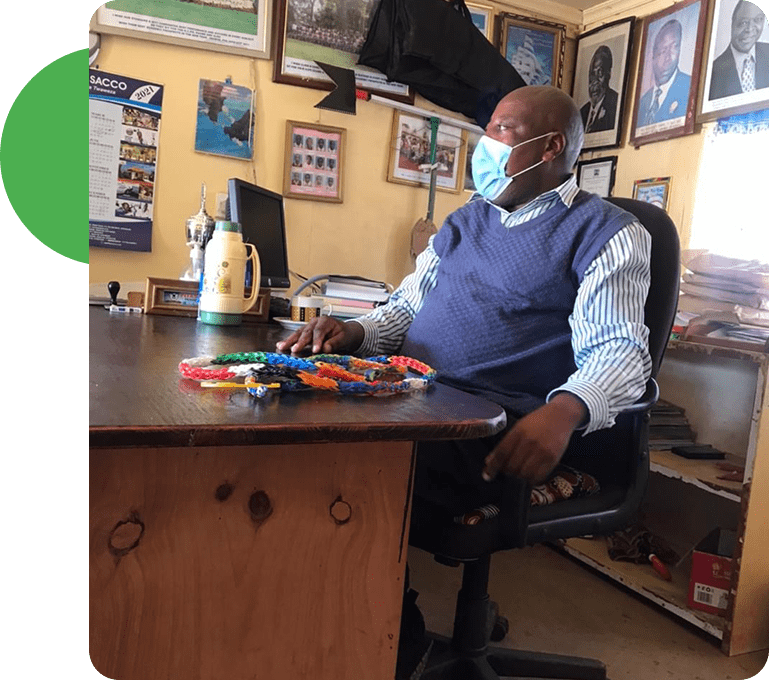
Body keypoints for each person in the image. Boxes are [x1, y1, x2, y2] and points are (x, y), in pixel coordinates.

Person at [277, 85, 651, 680]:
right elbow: (402, 311)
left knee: (345, 467)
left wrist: (567, 409)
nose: (484, 145)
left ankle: (392, 641)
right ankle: (359, 622)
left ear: (550, 146)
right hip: (413, 396)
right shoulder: (463, 222)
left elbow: (620, 349)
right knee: (292, 415)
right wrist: (352, 331)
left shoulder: (606, 231)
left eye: (501, 129)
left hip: (498, 421)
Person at [709, 1, 769, 100]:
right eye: (743, 22)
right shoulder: (713, 73)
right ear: (732, 24)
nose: (750, 29)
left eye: (757, 20)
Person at [637, 19, 692, 126]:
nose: (668, 56)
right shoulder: (642, 103)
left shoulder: (690, 87)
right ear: (653, 56)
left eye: (674, 47)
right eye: (663, 50)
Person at [580, 46, 619, 133]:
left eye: (600, 73)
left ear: (608, 74)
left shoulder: (615, 105)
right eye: (592, 74)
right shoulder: (582, 112)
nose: (594, 81)